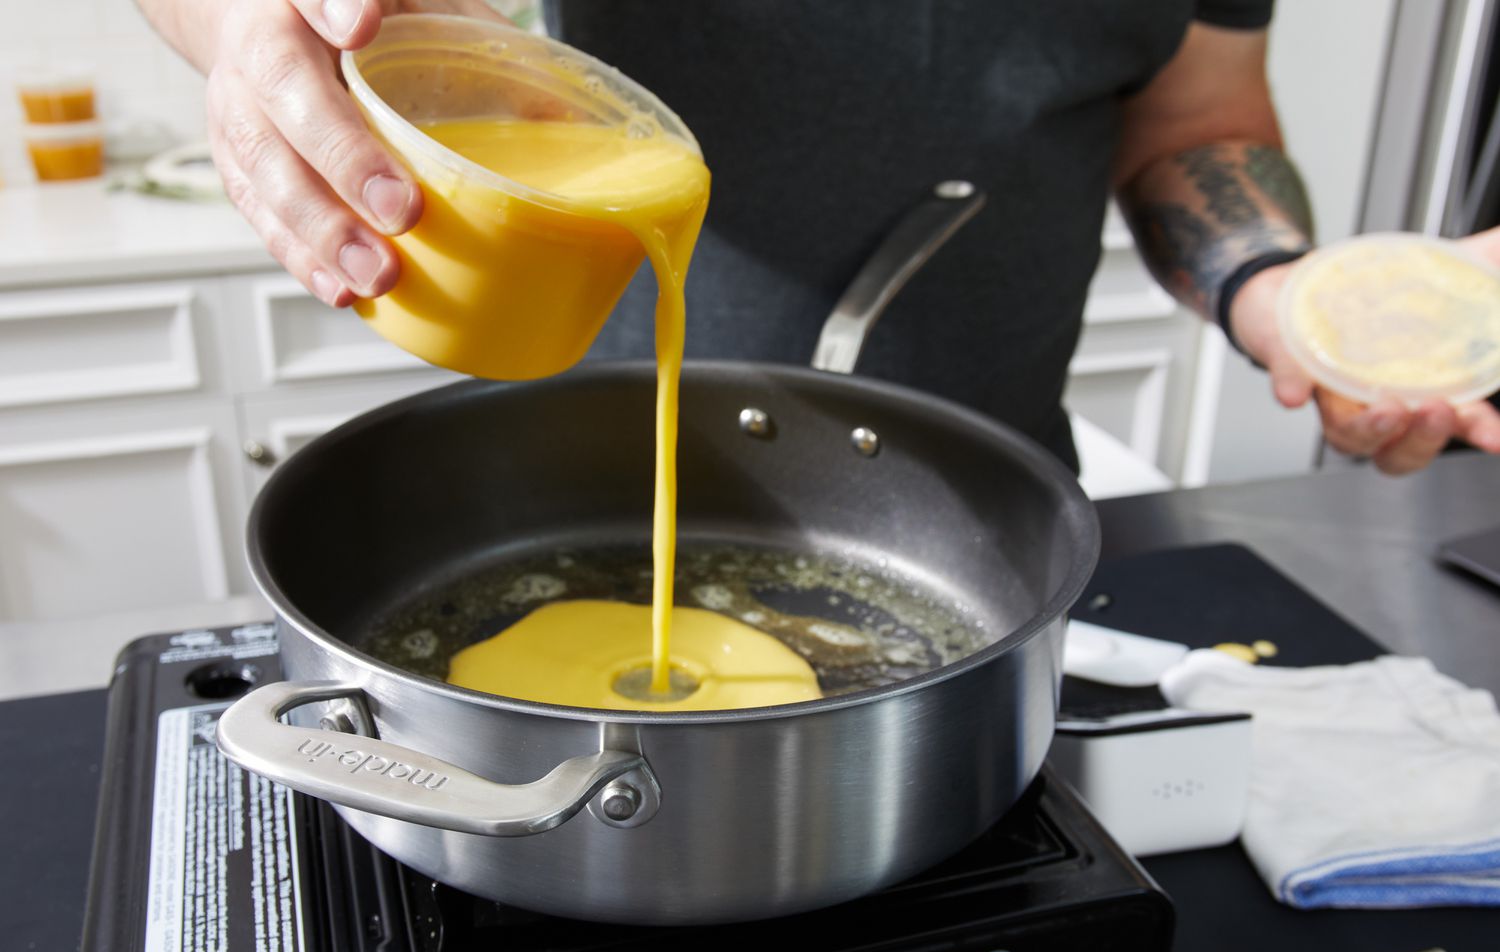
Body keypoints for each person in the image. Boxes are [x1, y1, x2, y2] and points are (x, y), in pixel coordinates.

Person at [138, 0, 1500, 476]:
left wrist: (1281, 290)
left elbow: (1196, 112)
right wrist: (243, 25)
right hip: (601, 461)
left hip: (991, 495)